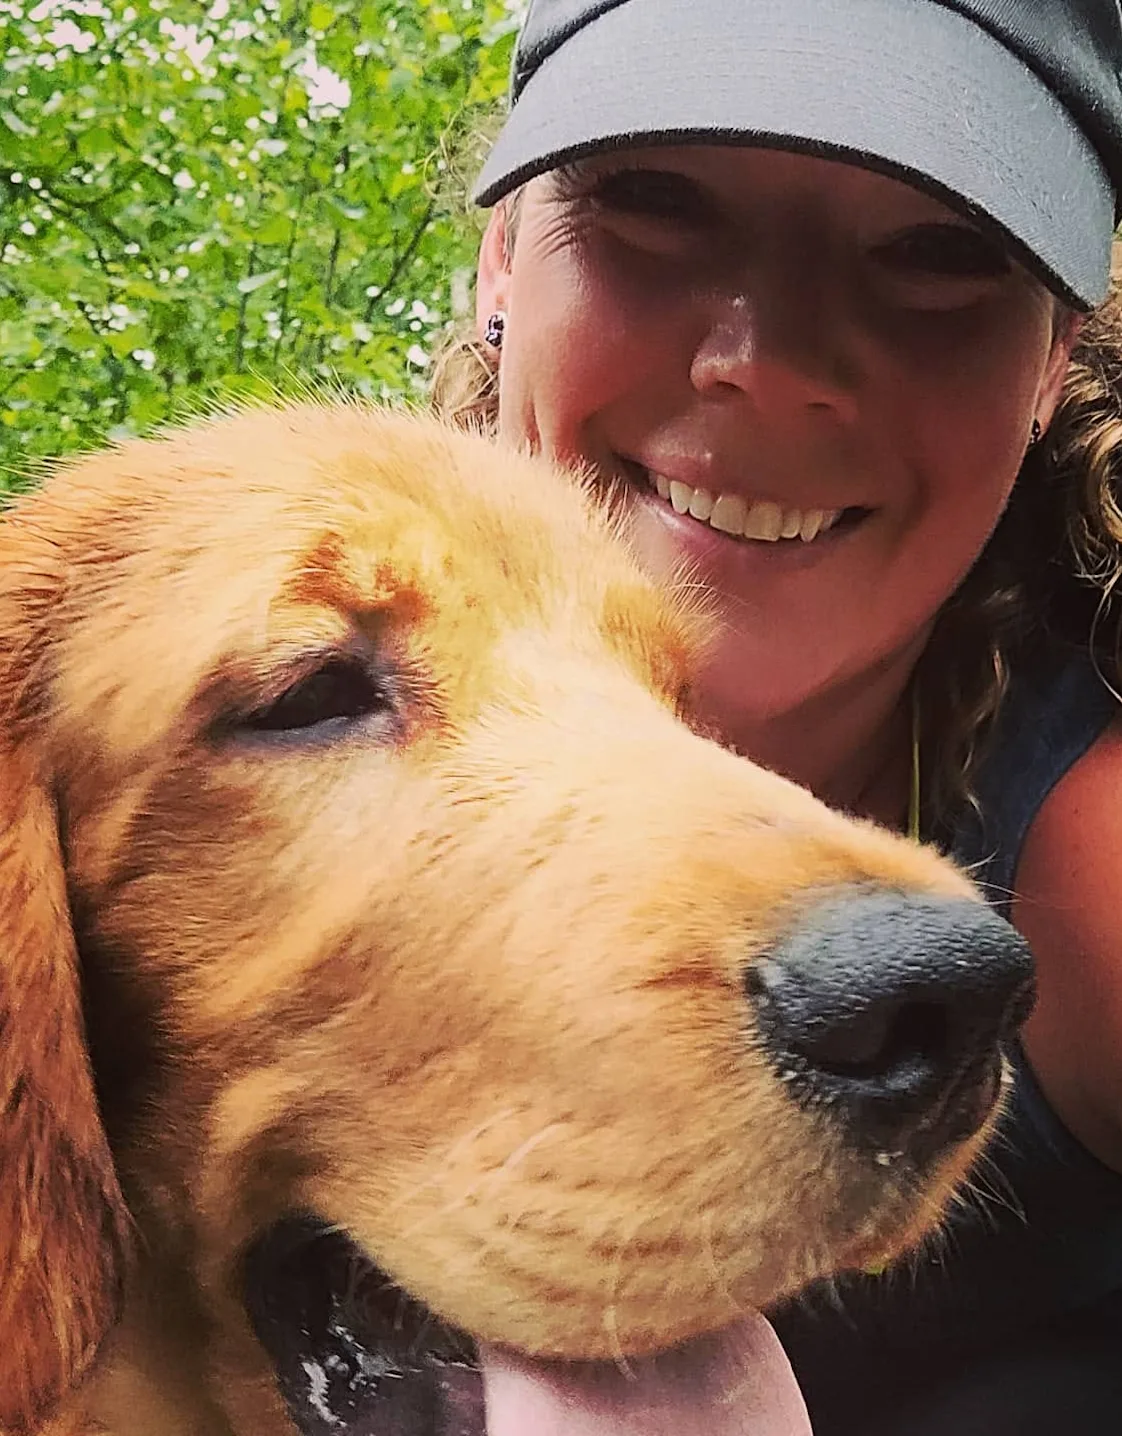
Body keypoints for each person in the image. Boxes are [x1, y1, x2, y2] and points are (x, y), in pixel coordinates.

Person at [431, 1, 1122, 1433]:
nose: (773, 356)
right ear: (502, 261)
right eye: (658, 201)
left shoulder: (1097, 869)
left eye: (940, 253)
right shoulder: (214, 727)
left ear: (1054, 358)